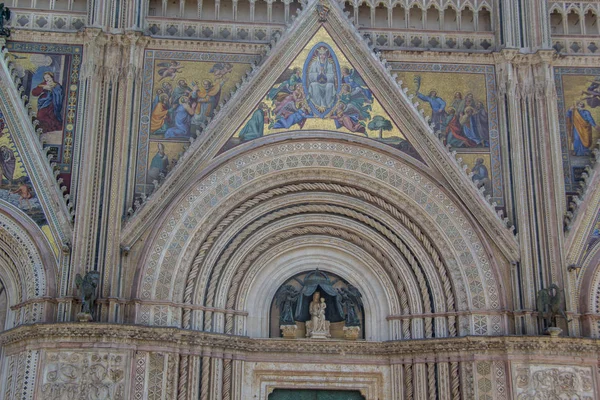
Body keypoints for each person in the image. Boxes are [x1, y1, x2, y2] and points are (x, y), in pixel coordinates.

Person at [307, 46, 336, 112]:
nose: (322, 56)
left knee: (330, 86)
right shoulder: (314, 64)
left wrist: (324, 74)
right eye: (320, 54)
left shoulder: (329, 65)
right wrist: (319, 74)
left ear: (326, 56)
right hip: (317, 83)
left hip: (326, 83)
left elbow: (332, 76)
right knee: (314, 85)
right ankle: (318, 103)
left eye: (324, 54)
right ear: (318, 55)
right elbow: (310, 76)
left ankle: (326, 104)